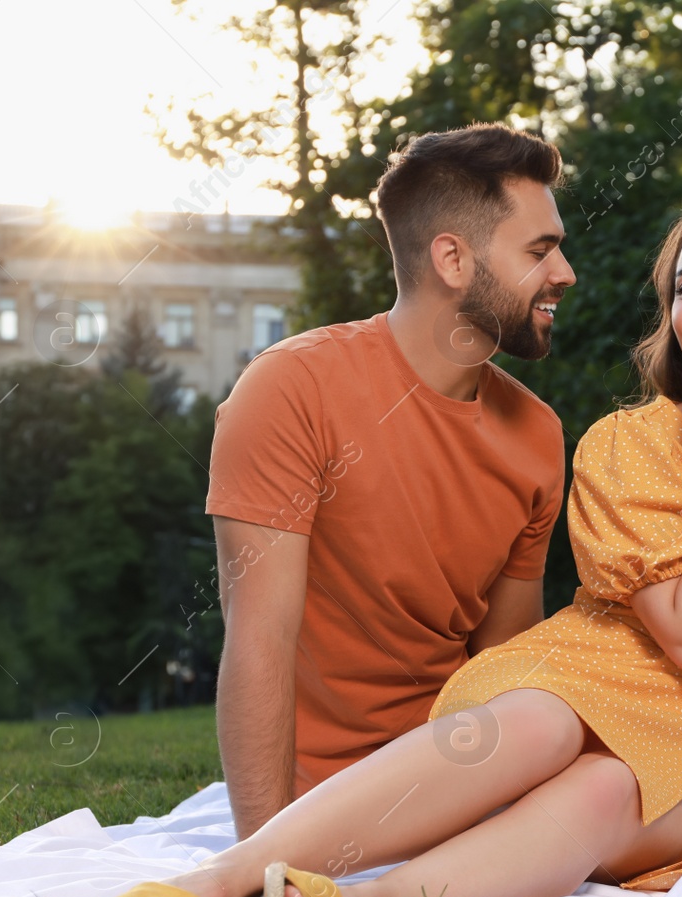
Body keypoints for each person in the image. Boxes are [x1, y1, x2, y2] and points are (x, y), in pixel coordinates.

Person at [90, 198, 682, 897]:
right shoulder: (630, 446)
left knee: (606, 790)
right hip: (591, 680)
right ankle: (220, 880)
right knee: (547, 726)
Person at [203, 123, 573, 838]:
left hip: (454, 779)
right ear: (453, 259)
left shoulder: (537, 434)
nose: (565, 272)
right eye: (540, 250)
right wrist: (264, 860)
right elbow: (260, 642)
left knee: (622, 767)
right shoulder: (290, 388)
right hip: (323, 795)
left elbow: (501, 670)